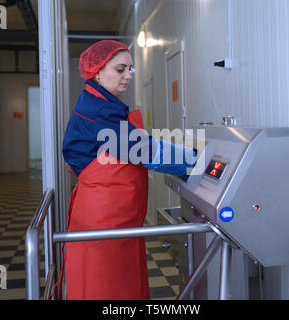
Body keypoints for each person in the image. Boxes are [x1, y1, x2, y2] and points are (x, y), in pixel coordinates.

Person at [60, 40, 195, 300]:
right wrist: (194, 160)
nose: (128, 76)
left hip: (113, 216)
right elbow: (142, 149)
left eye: (130, 70)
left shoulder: (101, 102)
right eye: (120, 69)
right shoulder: (99, 111)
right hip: (105, 219)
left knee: (119, 284)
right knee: (108, 289)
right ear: (97, 71)